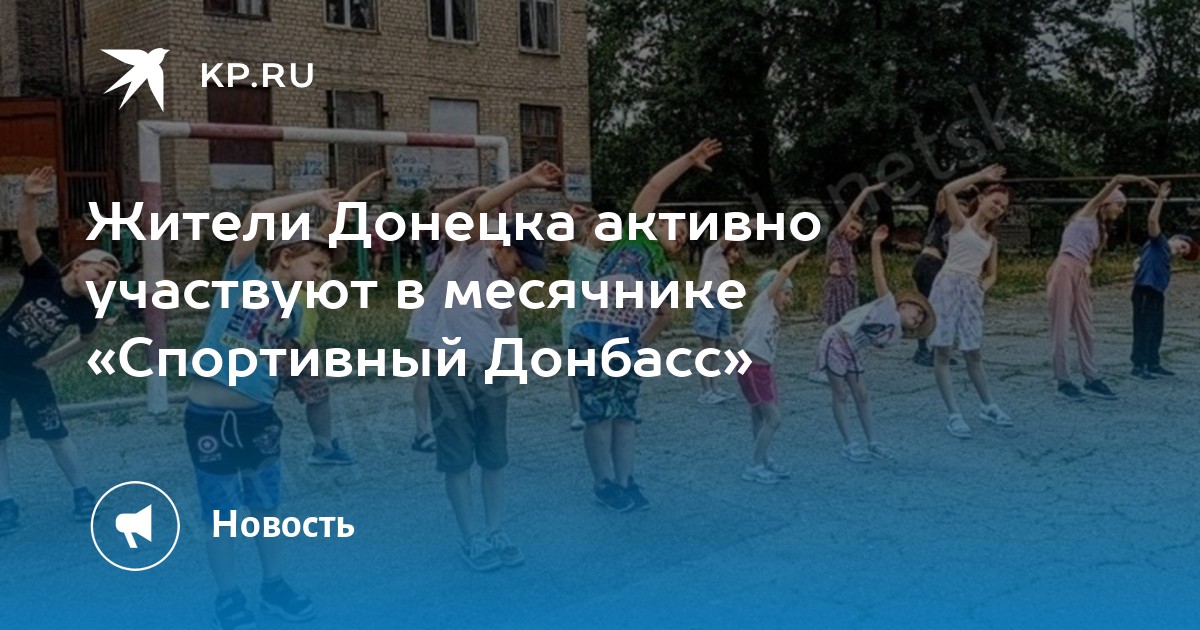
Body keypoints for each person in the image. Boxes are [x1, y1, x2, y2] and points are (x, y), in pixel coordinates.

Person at [185, 187, 346, 629]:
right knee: (220, 514)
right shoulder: (244, 276)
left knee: (266, 507)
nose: (323, 275)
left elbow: (281, 357)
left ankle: (274, 585)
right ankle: (228, 594)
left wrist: (298, 375)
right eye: (318, 265)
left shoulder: (295, 311)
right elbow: (257, 212)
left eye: (327, 269)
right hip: (209, 417)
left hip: (258, 417)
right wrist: (314, 198)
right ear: (286, 257)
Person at [571, 138, 722, 512]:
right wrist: (689, 158)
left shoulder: (666, 271)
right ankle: (603, 483)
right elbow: (655, 186)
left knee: (625, 414)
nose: (682, 234)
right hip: (591, 335)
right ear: (654, 222)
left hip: (625, 344)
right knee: (598, 416)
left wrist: (638, 347)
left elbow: (664, 316)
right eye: (677, 226)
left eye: (686, 235)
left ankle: (624, 480)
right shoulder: (633, 235)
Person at [426, 161, 561, 571]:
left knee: (494, 455)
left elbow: (505, 325)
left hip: (488, 373)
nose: (522, 272)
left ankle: (496, 529)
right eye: (520, 262)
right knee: (457, 458)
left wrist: (510, 366)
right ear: (501, 247)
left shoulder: (509, 284)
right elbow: (482, 208)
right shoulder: (471, 255)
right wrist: (525, 181)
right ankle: (471, 537)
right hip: (450, 369)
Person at [0, 167, 118, 535]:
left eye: (108, 281)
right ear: (78, 265)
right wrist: (29, 197)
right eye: (99, 274)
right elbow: (27, 235)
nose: (102, 282)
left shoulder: (87, 309)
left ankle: (82, 492)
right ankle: (5, 503)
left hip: (30, 375)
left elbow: (87, 339)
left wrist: (50, 360)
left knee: (55, 433)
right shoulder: (44, 276)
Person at [278, 169, 385, 466]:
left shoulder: (319, 264)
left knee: (319, 393)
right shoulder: (292, 269)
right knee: (258, 396)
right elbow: (336, 217)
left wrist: (361, 186)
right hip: (279, 343)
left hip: (304, 343)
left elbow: (340, 214)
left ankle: (323, 448)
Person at [818, 226, 934, 463]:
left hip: (853, 350)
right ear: (903, 305)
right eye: (918, 312)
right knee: (840, 394)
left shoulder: (895, 335)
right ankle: (849, 443)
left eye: (921, 320)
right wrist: (875, 244)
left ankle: (872, 441)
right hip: (837, 340)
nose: (919, 318)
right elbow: (878, 273)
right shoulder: (887, 304)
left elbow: (875, 341)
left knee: (862, 394)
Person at [1048, 175, 1157, 401]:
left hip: (1080, 273)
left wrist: (1086, 275)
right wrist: (1142, 180)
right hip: (1065, 267)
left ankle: (1091, 378)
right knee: (1061, 326)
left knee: (1086, 327)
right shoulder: (1086, 214)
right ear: (1106, 202)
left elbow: (1091, 261)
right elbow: (1116, 179)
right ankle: (1063, 381)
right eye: (1119, 204)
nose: (1121, 209)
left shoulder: (1102, 232)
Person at [928, 165, 1013, 439]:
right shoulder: (960, 224)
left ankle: (988, 406)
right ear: (983, 198)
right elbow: (947, 191)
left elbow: (992, 274)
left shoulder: (991, 240)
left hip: (971, 294)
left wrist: (982, 288)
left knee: (973, 352)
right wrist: (981, 176)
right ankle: (954, 414)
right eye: (995, 202)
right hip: (947, 287)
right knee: (943, 351)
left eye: (1003, 207)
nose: (998, 208)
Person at [404, 186, 491, 453]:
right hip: (431, 317)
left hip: (453, 321)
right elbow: (438, 212)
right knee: (426, 377)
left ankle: (456, 426)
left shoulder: (481, 255)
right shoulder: (461, 249)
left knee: (454, 377)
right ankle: (422, 432)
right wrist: (471, 193)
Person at [736, 251, 809, 484]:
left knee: (759, 416)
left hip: (763, 368)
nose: (789, 299)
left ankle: (763, 458)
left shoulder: (770, 311)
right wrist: (797, 258)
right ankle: (754, 466)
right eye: (786, 293)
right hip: (752, 368)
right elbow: (784, 271)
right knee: (773, 419)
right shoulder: (764, 303)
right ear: (774, 290)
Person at [809, 182, 887, 383]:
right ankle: (819, 368)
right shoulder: (836, 238)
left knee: (844, 331)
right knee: (832, 331)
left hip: (849, 290)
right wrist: (867, 192)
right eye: (852, 227)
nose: (853, 232)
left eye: (858, 231)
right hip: (837, 288)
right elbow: (852, 211)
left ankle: (838, 364)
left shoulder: (850, 248)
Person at [1130, 182, 1198, 379]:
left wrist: (1137, 264)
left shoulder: (1165, 255)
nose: (1181, 251)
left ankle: (1153, 363)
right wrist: (1160, 198)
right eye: (1183, 246)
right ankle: (1138, 366)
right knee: (1143, 329)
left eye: (1183, 253)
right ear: (1176, 238)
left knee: (1156, 329)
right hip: (1145, 291)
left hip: (1156, 293)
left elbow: (1139, 261)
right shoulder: (1160, 243)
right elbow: (1152, 221)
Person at [911, 186, 973, 367]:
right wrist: (964, 186)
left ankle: (933, 350)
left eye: (965, 213)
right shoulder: (942, 217)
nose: (961, 214)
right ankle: (923, 350)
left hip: (939, 267)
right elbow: (942, 194)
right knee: (928, 307)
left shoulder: (959, 231)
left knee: (939, 308)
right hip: (928, 263)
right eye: (959, 210)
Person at [559, 205, 606, 431]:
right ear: (589, 229)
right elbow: (561, 240)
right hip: (575, 318)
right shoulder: (577, 253)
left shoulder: (607, 260)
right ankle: (577, 411)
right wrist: (568, 218)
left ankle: (594, 404)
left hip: (598, 321)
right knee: (575, 367)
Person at [694, 237, 742, 404]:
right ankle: (705, 391)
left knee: (716, 348)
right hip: (709, 298)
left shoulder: (723, 265)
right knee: (708, 348)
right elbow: (728, 236)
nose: (737, 255)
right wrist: (746, 226)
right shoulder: (713, 253)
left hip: (722, 301)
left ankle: (714, 387)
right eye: (734, 250)